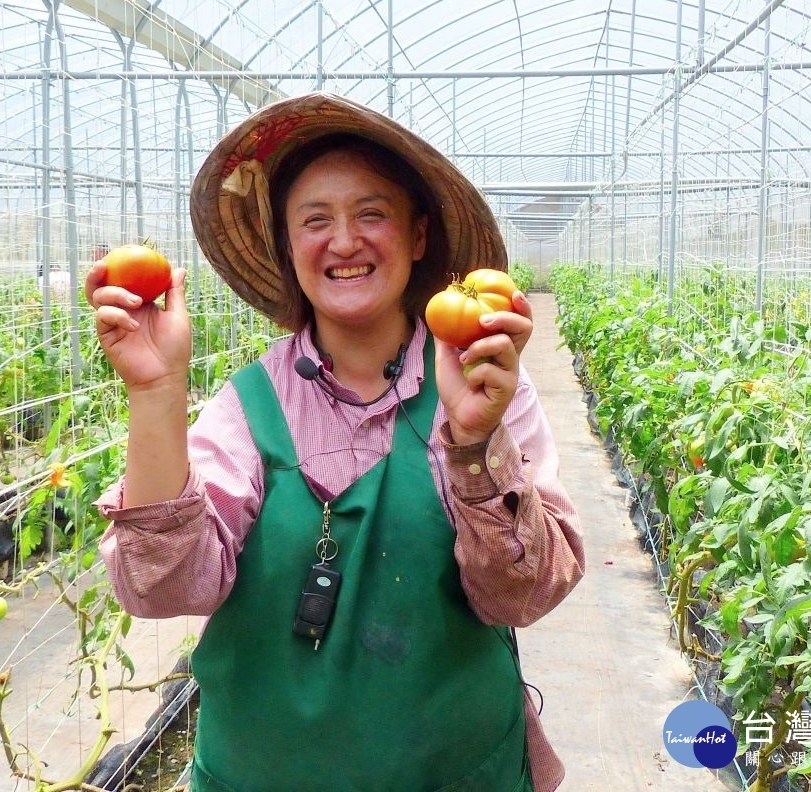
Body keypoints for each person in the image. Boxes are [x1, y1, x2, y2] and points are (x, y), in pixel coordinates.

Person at [87, 92, 585, 792]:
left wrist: (474, 446)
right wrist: (156, 394)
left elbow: (523, 596)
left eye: (371, 214)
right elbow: (162, 586)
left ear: (417, 237)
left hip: (455, 773)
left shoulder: (486, 388)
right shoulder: (249, 405)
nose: (344, 241)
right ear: (290, 250)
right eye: (314, 220)